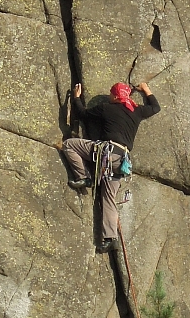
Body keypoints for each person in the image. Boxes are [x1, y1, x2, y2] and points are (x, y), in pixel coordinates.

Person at [62, 81, 161, 252]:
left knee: (70, 145)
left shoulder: (107, 108)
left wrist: (76, 98)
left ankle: (84, 177)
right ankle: (109, 238)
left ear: (115, 96)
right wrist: (145, 89)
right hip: (121, 161)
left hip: (106, 153)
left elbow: (83, 114)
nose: (109, 96)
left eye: (110, 94)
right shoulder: (136, 111)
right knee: (108, 197)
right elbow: (155, 108)